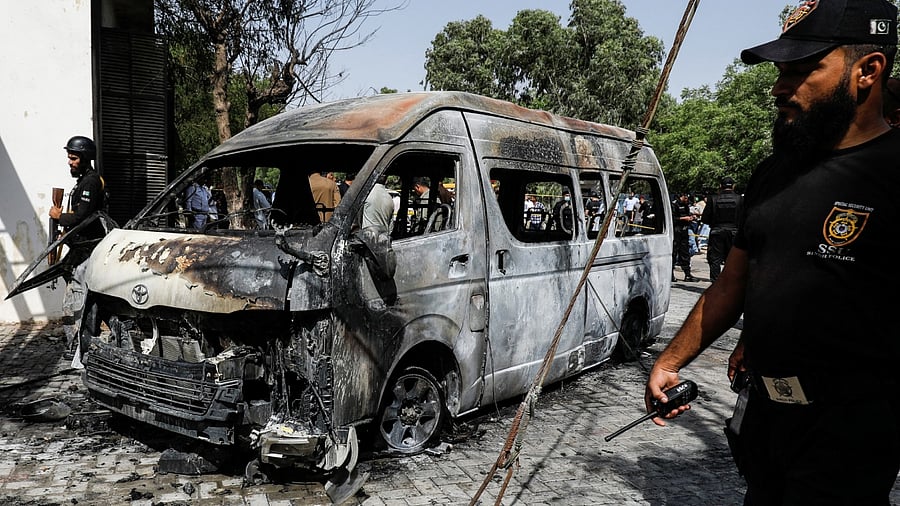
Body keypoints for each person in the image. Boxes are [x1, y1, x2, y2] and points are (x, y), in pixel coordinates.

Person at [644, 1, 900, 503]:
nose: (779, 88)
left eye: (803, 70)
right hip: (763, 416)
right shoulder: (773, 172)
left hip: (849, 431)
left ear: (868, 71)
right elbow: (733, 284)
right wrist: (671, 361)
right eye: (781, 71)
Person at [50, 136, 107, 353]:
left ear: (84, 158)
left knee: (76, 300)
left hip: (87, 252)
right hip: (80, 249)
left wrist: (59, 216)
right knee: (81, 299)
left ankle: (78, 347)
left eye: (73, 158)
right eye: (69, 157)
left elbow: (83, 216)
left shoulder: (90, 182)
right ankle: (81, 344)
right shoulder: (84, 180)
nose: (70, 162)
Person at [701, 177, 743, 282]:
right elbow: (744, 218)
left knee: (715, 259)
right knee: (733, 260)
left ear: (720, 186)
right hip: (734, 233)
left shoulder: (713, 199)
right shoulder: (740, 199)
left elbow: (705, 218)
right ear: (733, 186)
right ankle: (731, 283)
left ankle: (715, 283)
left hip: (717, 232)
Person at [671, 192, 697, 282]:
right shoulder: (674, 205)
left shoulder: (686, 206)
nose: (687, 200)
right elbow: (672, 219)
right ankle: (671, 274)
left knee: (685, 253)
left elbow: (688, 214)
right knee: (674, 253)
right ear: (681, 197)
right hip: (676, 231)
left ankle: (687, 274)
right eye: (685, 198)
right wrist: (683, 218)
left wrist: (691, 217)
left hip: (684, 231)